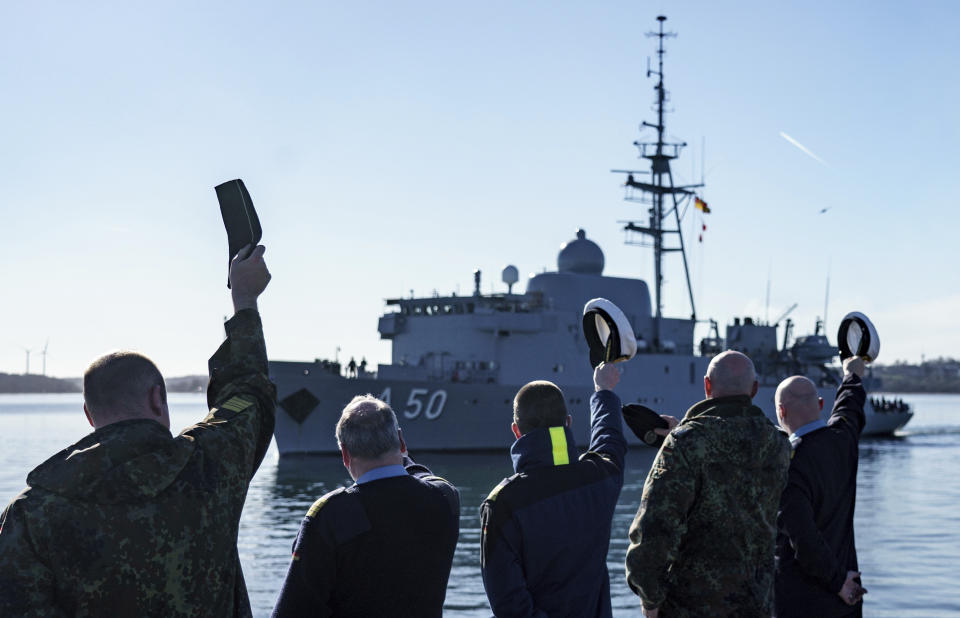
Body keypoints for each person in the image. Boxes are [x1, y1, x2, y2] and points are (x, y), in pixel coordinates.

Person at [0, 245, 275, 616]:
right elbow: (249, 393)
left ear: (88, 414)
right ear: (158, 399)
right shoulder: (211, 464)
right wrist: (245, 300)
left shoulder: (30, 515)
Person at [625, 350, 791, 617]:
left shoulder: (686, 444)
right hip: (755, 606)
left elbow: (653, 531)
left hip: (690, 608)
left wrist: (650, 600)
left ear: (707, 385)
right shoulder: (779, 444)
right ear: (755, 389)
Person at [272, 395, 459, 617]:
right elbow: (422, 476)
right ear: (401, 442)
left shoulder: (331, 517)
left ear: (344, 454)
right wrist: (400, 455)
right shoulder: (444, 498)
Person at [480, 362, 628, 617]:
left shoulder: (502, 504)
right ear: (568, 423)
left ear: (517, 431)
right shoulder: (599, 478)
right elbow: (609, 439)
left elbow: (509, 605)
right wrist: (603, 391)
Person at [774, 356, 869, 617]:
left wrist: (837, 581)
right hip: (848, 598)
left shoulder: (786, 463)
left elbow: (803, 538)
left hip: (803, 602)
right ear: (819, 404)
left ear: (781, 412)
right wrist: (852, 375)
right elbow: (849, 407)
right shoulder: (843, 440)